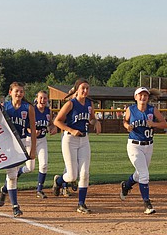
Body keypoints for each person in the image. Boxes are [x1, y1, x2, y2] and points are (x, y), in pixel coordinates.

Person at [53, 78, 101, 214]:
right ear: (77, 89)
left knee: (85, 173)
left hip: (84, 139)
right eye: (82, 88)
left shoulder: (89, 103)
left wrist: (95, 121)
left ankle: (81, 204)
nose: (85, 91)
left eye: (87, 88)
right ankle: (59, 180)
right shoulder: (71, 104)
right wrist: (71, 130)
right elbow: (57, 121)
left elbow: (91, 118)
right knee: (72, 176)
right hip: (70, 140)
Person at [120, 87, 167, 214]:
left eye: (145, 95)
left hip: (148, 146)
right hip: (134, 145)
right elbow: (124, 121)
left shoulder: (152, 110)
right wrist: (127, 126)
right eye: (140, 95)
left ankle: (126, 185)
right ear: (135, 97)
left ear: (147, 97)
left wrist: (154, 124)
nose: (143, 97)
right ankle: (147, 204)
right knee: (145, 175)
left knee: (139, 174)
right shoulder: (131, 109)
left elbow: (165, 123)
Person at [0, 82, 36, 217]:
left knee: (26, 169)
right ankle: (15, 206)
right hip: (9, 143)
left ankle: (4, 190)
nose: (19, 94)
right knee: (12, 175)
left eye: (21, 91)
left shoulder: (28, 107)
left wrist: (33, 149)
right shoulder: (4, 107)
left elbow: (33, 130)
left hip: (23, 141)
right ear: (10, 92)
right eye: (16, 91)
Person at [9, 90, 56, 199]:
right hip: (30, 140)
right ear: (36, 99)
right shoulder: (31, 109)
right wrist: (31, 131)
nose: (42, 100)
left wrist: (52, 128)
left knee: (44, 165)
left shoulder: (48, 111)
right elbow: (26, 125)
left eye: (45, 98)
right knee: (30, 168)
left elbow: (50, 125)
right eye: (40, 98)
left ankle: (39, 189)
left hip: (42, 140)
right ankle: (20, 171)